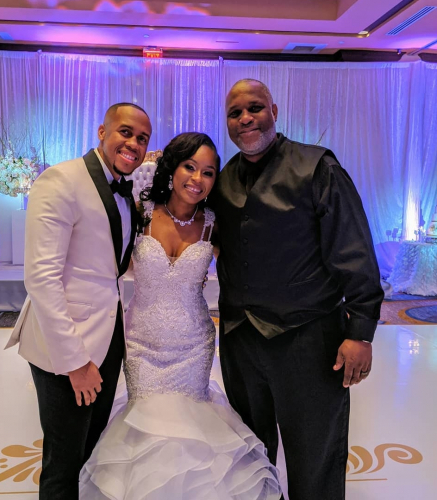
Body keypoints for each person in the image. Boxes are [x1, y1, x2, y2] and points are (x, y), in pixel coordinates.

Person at [79, 132, 282, 499]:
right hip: (141, 345)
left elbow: (251, 265)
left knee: (190, 430)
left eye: (208, 172)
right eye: (189, 167)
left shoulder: (214, 224)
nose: (197, 179)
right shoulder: (139, 214)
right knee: (149, 429)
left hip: (193, 345)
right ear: (172, 168)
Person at [213, 79, 384, 500]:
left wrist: (360, 332)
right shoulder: (222, 177)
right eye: (235, 113)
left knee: (314, 457)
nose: (245, 118)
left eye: (255, 108)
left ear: (274, 111)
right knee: (249, 456)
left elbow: (353, 249)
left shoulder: (317, 167)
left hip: (308, 339)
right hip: (240, 339)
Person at [5, 103, 152, 500]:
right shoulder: (61, 180)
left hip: (108, 338)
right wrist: (75, 362)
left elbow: (113, 264)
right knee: (64, 463)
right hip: (66, 348)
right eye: (125, 132)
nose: (133, 144)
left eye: (142, 138)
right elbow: (41, 278)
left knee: (90, 452)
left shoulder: (126, 191)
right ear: (102, 131)